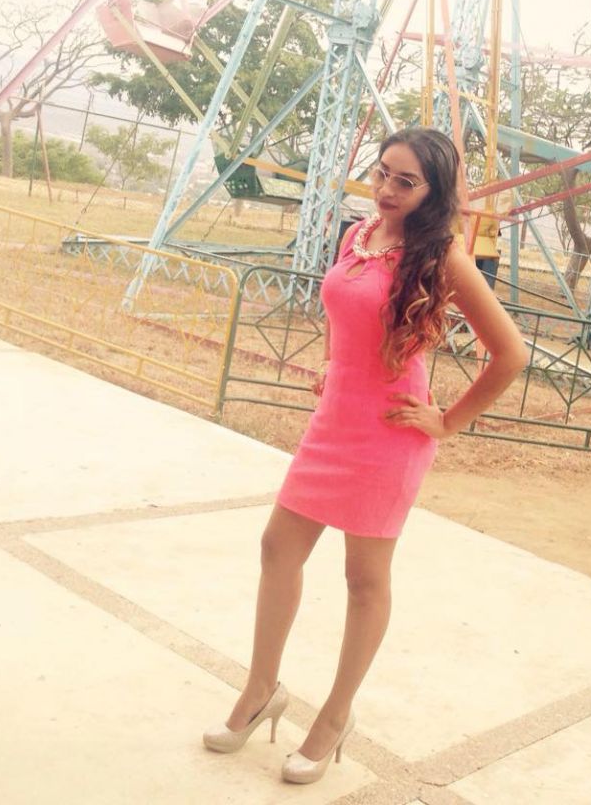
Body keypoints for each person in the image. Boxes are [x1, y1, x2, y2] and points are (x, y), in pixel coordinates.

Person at [202, 127, 528, 784]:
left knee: (364, 579)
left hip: (390, 433)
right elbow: (342, 308)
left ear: (434, 191)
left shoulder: (442, 256)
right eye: (382, 173)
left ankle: (334, 716)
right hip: (334, 422)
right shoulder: (359, 235)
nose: (386, 189)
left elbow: (511, 354)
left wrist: (448, 421)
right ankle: (261, 689)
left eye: (406, 182)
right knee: (277, 548)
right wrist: (332, 361)